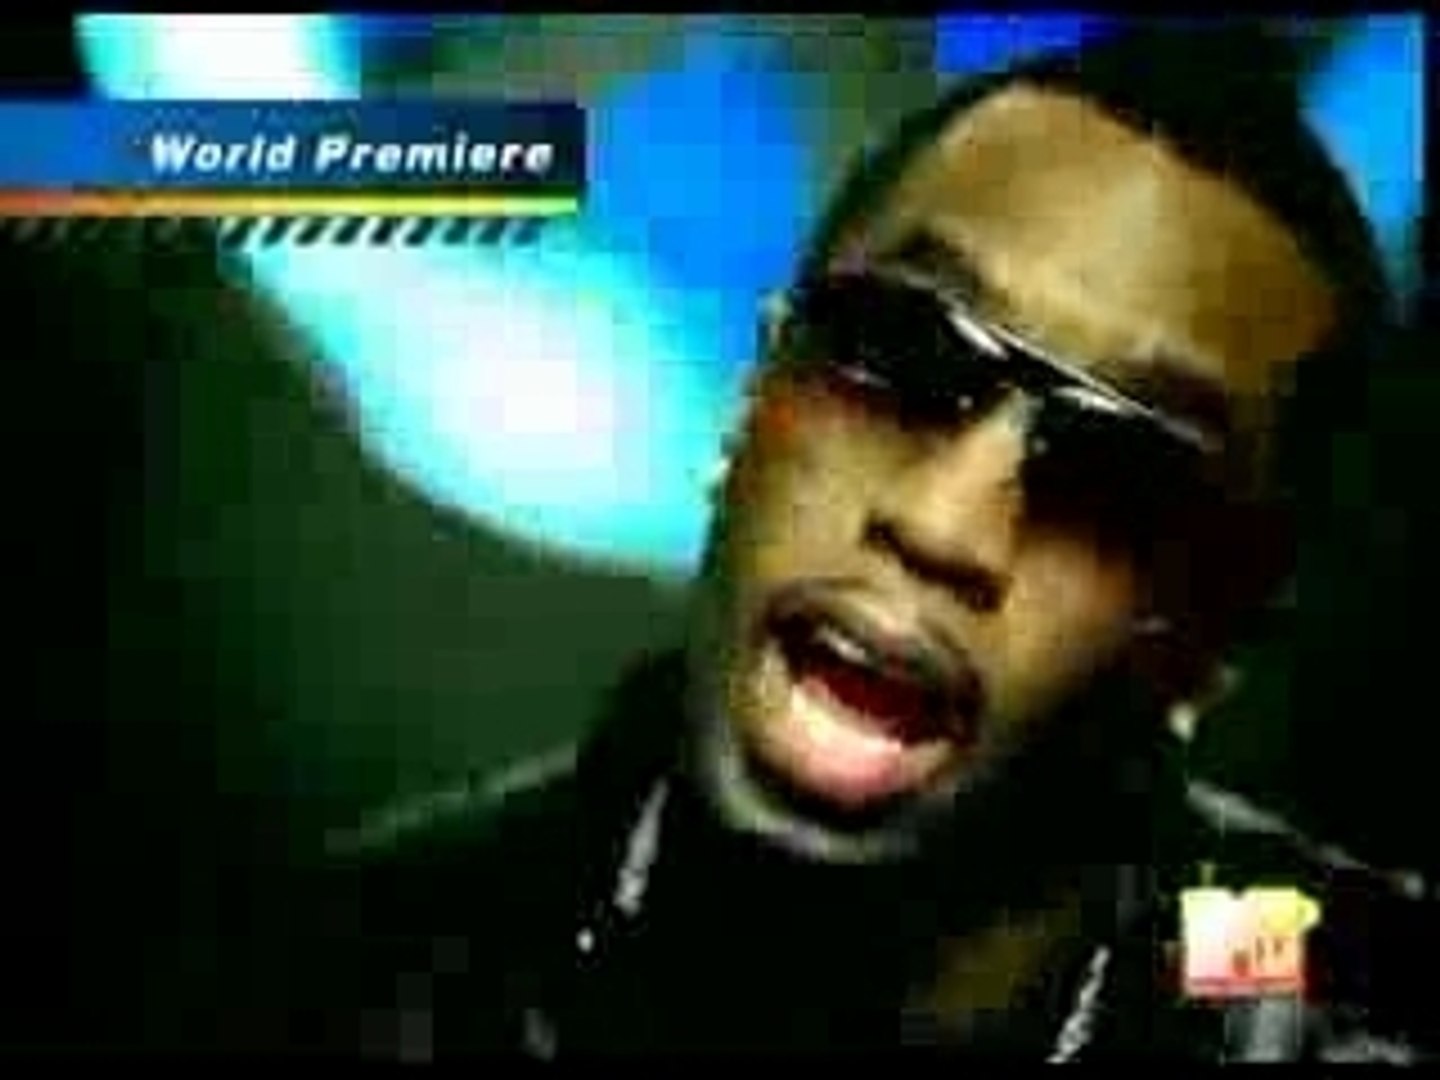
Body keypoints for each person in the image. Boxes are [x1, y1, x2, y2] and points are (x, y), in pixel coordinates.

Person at [254, 22, 1433, 1060]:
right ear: (753, 396)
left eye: (1114, 471)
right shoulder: (329, 980)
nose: (939, 526)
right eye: (898, 354)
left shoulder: (1334, 990)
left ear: (1225, 626)